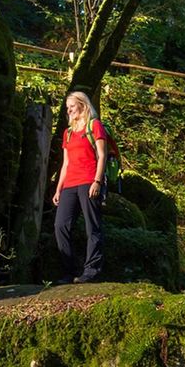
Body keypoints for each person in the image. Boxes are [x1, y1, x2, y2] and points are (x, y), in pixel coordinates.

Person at [53, 91, 109, 284]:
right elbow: (65, 164)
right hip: (70, 183)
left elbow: (102, 155)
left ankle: (92, 270)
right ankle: (69, 271)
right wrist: (58, 189)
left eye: (72, 106)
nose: (68, 111)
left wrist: (97, 181)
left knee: (92, 227)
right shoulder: (67, 133)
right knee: (60, 225)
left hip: (89, 180)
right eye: (67, 108)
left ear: (83, 105)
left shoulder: (94, 126)